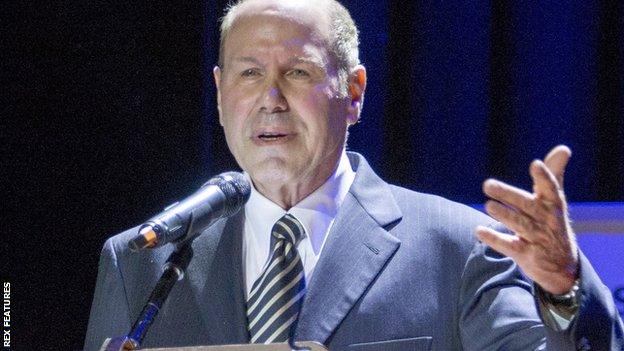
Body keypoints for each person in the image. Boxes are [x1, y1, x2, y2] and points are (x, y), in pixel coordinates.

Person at [84, 0, 624, 350]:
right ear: (221, 94)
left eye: (298, 72)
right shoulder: (141, 260)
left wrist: (563, 286)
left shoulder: (459, 249)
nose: (271, 100)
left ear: (355, 93)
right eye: (250, 74)